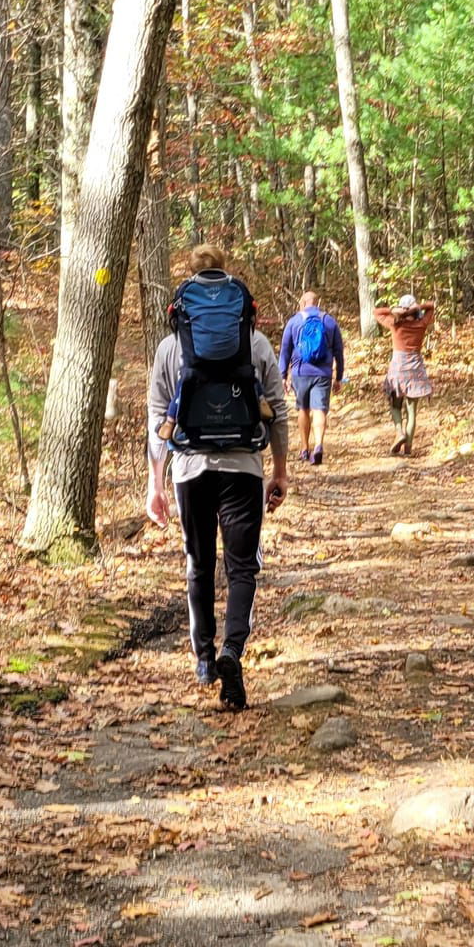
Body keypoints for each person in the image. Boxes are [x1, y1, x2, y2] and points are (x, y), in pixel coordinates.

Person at [146, 242, 289, 710]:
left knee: (199, 563)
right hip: (244, 466)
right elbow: (279, 410)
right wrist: (281, 470)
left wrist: (156, 483)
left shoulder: (171, 346)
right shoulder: (256, 342)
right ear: (227, 277)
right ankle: (232, 648)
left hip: (190, 468)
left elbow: (156, 417)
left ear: (188, 279)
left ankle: (204, 658)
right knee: (242, 565)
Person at [279, 289, 345, 467]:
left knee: (303, 409)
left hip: (300, 372)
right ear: (318, 302)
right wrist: (339, 377)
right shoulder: (329, 321)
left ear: (302, 303)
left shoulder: (294, 322)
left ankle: (304, 448)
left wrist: (283, 375)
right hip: (323, 373)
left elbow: (285, 350)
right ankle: (318, 446)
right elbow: (339, 351)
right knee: (320, 410)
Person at [385, 292, 436, 455]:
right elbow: (432, 305)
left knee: (395, 406)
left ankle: (399, 431)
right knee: (412, 411)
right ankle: (408, 448)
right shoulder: (421, 324)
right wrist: (416, 308)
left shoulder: (395, 324)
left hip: (398, 368)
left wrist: (399, 310)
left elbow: (377, 312)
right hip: (415, 369)